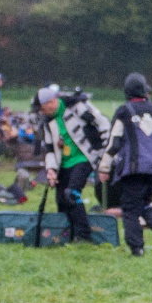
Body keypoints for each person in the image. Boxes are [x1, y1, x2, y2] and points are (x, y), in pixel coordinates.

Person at [98, 74, 152, 257]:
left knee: (130, 209)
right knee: (145, 203)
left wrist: (104, 167)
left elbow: (114, 142)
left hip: (134, 168)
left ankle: (137, 248)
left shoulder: (125, 111)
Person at [40, 85, 110, 243]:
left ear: (51, 102)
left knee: (71, 194)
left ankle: (84, 236)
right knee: (61, 200)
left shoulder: (78, 107)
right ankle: (67, 235)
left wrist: (105, 152)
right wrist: (50, 169)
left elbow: (103, 123)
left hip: (84, 158)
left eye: (43, 109)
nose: (41, 113)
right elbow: (49, 148)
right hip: (63, 163)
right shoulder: (48, 121)